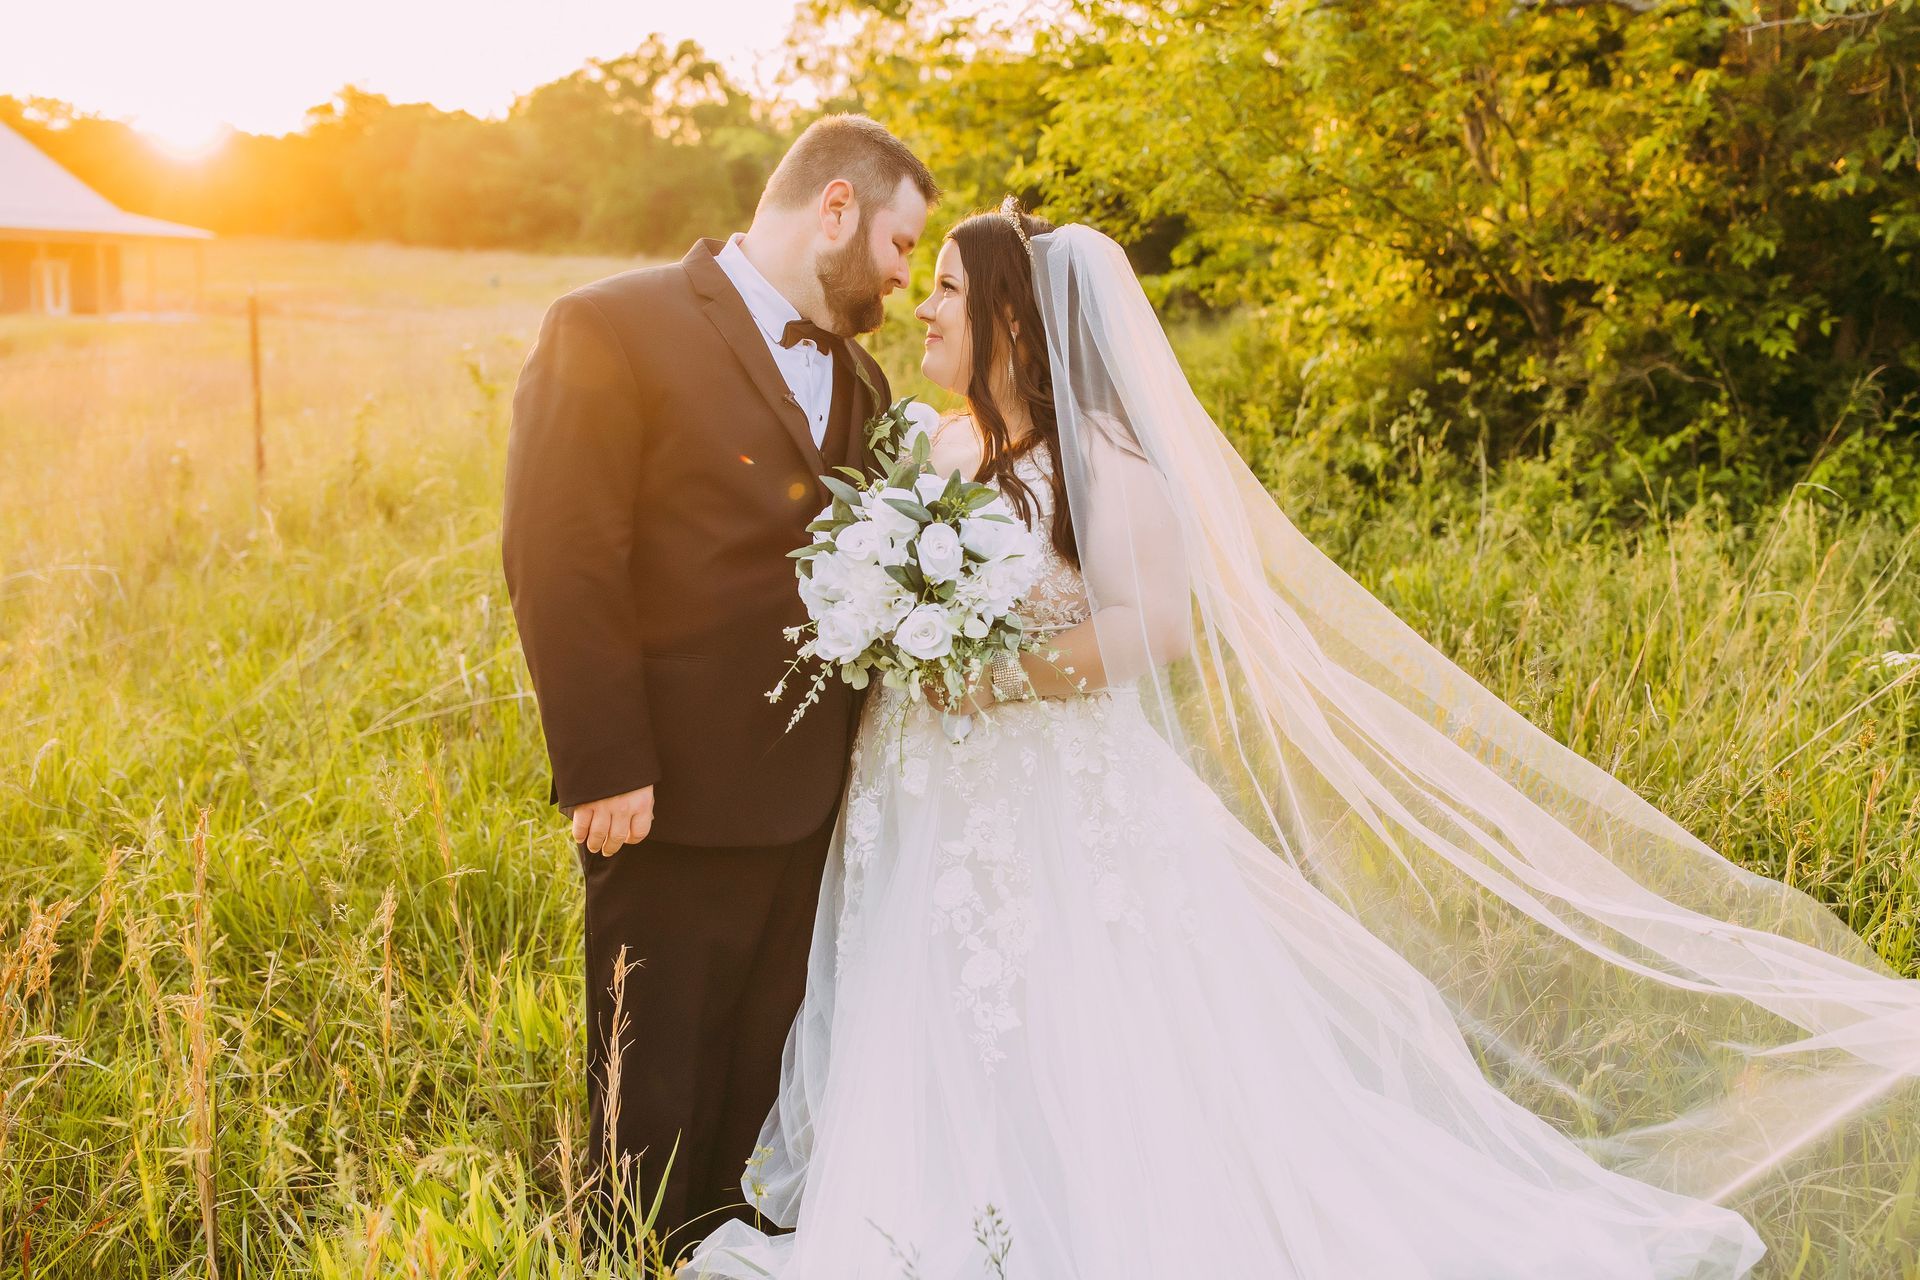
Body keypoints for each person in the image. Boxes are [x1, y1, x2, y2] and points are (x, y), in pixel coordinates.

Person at [683, 206, 1920, 1278]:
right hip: (932, 803)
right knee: (942, 1000)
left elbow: (1156, 626)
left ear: (1015, 316)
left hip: (1059, 798)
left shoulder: (1104, 466)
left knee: (1078, 1007)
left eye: (948, 288)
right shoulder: (939, 446)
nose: (925, 308)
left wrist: (986, 675)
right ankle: (931, 1207)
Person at [499, 114, 937, 1263]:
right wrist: (603, 760)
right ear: (834, 205)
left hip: (813, 801)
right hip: (668, 793)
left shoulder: (862, 374)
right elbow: (560, 551)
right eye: (899, 243)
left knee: (757, 1082)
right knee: (649, 1089)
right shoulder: (609, 324)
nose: (905, 273)